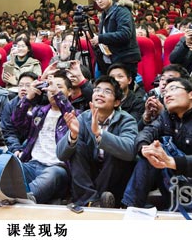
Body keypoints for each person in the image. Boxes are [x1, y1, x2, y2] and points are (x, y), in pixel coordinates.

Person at [122, 77, 192, 212]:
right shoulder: (166, 118)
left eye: (173, 89)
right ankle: (130, 208)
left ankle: (177, 211)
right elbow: (146, 132)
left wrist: (173, 162)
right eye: (165, 92)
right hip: (172, 183)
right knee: (150, 152)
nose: (167, 95)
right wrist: (144, 148)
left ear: (191, 94)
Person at [57, 76, 138, 208]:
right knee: (77, 146)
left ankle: (95, 200)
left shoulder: (127, 120)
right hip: (90, 176)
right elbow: (61, 155)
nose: (100, 94)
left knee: (115, 151)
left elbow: (130, 151)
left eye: (107, 91)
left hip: (114, 181)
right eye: (97, 90)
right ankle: (92, 201)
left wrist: (99, 134)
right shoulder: (84, 117)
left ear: (117, 102)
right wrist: (73, 135)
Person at [10, 74, 77, 204]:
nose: (52, 90)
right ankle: (14, 196)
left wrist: (58, 95)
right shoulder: (39, 111)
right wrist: (28, 98)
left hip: (57, 168)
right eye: (50, 86)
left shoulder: (75, 114)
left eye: (58, 87)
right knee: (6, 171)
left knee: (51, 176)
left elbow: (70, 113)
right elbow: (17, 121)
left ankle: (22, 198)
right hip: (32, 164)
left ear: (69, 92)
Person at [90, 0, 140, 77]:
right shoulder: (104, 14)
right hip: (111, 59)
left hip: (124, 58)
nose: (99, 1)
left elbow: (125, 34)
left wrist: (100, 38)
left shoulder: (122, 10)